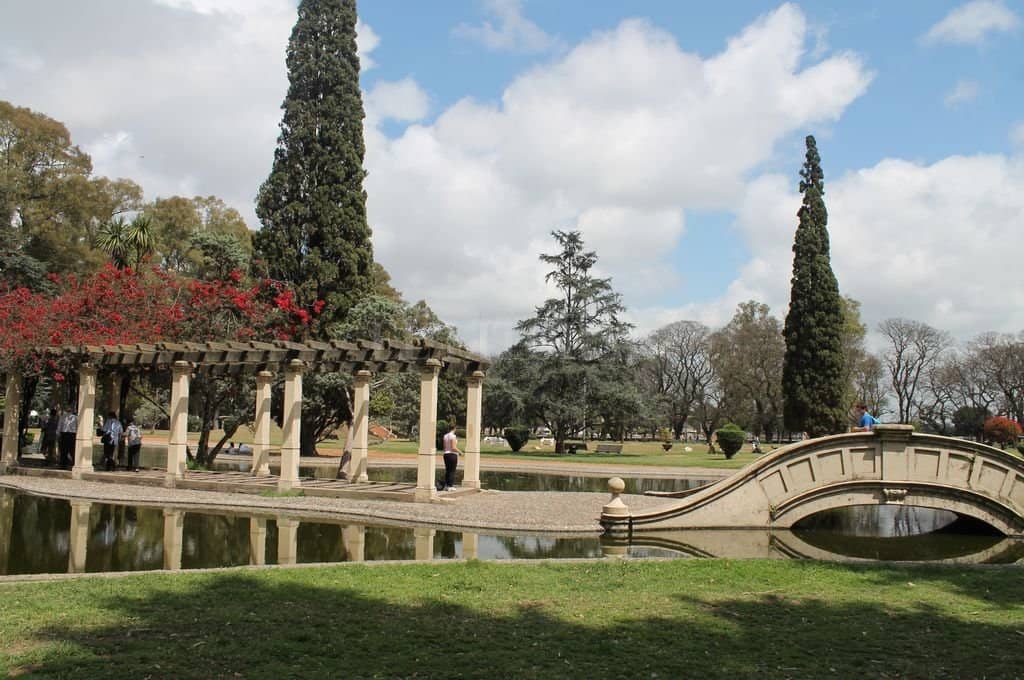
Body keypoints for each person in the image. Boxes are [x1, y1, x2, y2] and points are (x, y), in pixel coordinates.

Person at [440, 422, 461, 491]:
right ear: (454, 428)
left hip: (446, 454)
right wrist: (460, 452)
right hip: (452, 455)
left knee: (448, 470)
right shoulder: (453, 436)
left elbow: (444, 447)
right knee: (452, 471)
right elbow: (453, 447)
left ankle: (446, 485)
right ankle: (450, 485)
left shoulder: (445, 436)